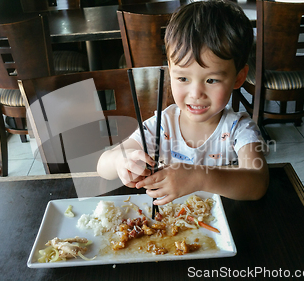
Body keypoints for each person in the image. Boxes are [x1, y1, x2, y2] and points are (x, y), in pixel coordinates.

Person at [97, 0, 269, 205]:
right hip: (170, 227)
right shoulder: (162, 124)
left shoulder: (238, 129)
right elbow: (103, 165)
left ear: (239, 78)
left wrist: (199, 177)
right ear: (170, 72)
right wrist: (120, 161)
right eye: (183, 78)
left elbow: (258, 183)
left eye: (211, 80)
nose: (196, 93)